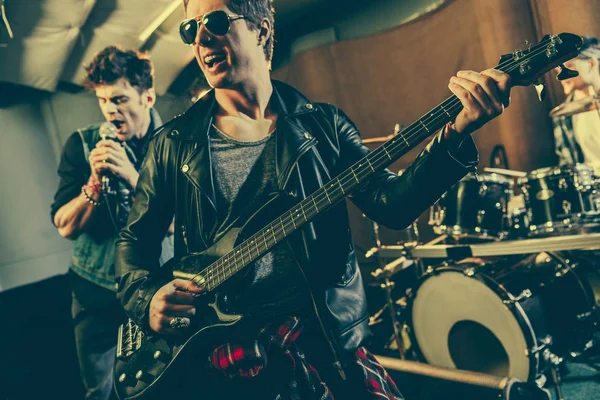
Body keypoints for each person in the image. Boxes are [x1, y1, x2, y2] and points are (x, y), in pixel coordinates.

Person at [115, 0, 512, 398]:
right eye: (191, 29)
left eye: (216, 22)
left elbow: (393, 205)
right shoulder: (173, 143)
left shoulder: (324, 126)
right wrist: (147, 299)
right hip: (228, 353)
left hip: (323, 338)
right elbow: (135, 242)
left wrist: (456, 133)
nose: (201, 38)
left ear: (261, 30)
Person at [51, 46, 173, 399]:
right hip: (94, 296)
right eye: (104, 101)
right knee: (100, 392)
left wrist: (133, 177)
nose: (110, 110)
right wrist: (93, 185)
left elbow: (180, 225)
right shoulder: (83, 143)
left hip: (155, 291)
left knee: (162, 385)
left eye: (119, 99)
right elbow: (64, 226)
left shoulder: (175, 144)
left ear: (147, 96)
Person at [553, 37, 600, 173]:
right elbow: (566, 161)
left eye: (569, 67)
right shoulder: (563, 114)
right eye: (557, 72)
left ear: (590, 64)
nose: (561, 77)